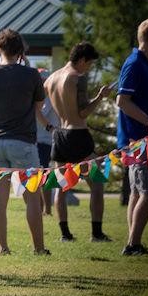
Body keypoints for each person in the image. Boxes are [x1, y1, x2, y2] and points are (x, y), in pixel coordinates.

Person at [0, 29, 49, 256]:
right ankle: (38, 248)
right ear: (21, 51)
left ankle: (3, 247)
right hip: (24, 143)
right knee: (32, 198)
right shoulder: (32, 75)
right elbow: (39, 107)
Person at [45, 42, 113, 242]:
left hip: (59, 135)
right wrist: (100, 97)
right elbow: (82, 112)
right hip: (78, 135)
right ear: (82, 60)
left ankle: (65, 234)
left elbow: (39, 103)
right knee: (97, 184)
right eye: (90, 64)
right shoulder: (76, 78)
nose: (89, 68)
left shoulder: (51, 79)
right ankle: (97, 233)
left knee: (62, 186)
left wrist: (48, 125)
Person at [116, 18, 148, 256]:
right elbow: (122, 102)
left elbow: (147, 105)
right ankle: (133, 244)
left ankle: (133, 242)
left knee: (137, 191)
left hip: (141, 139)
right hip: (139, 141)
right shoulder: (135, 63)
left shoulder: (147, 65)